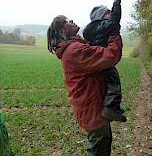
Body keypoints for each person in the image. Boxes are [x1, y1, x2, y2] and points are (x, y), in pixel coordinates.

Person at [47, 14, 123, 155]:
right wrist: (113, 31)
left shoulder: (75, 47)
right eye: (66, 21)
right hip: (93, 109)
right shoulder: (75, 50)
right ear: (63, 31)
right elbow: (111, 55)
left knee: (102, 146)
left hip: (91, 106)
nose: (72, 20)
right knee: (98, 148)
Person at [82, 0, 126, 122]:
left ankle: (113, 107)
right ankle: (110, 108)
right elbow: (113, 22)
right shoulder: (99, 26)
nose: (111, 14)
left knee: (109, 83)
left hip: (100, 58)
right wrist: (117, 5)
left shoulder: (94, 28)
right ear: (100, 17)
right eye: (108, 12)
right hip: (103, 59)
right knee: (113, 82)